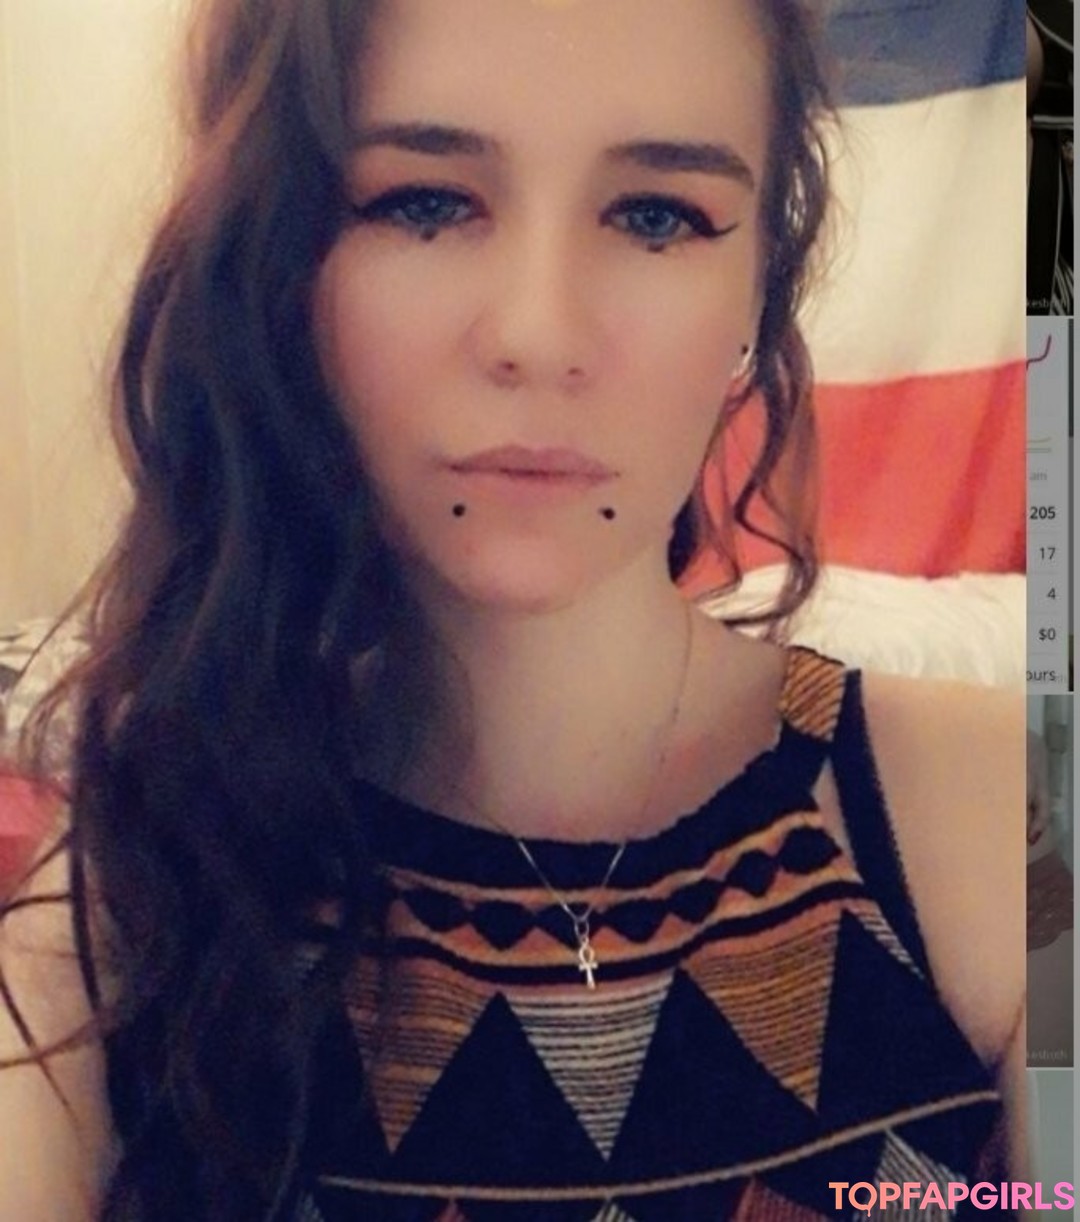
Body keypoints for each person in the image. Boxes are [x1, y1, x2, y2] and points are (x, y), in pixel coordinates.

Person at [0, 1, 1027, 1219]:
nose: (540, 336)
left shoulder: (1006, 820)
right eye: (423, 202)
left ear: (759, 291)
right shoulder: (132, 886)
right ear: (275, 267)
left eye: (656, 216)